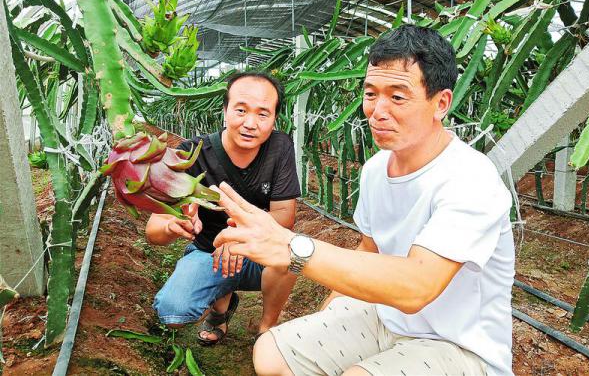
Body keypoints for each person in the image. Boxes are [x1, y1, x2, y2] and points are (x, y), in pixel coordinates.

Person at [211, 25, 515, 375]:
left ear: (441, 103)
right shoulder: (375, 169)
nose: (377, 110)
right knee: (270, 353)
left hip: (460, 346)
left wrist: (295, 248)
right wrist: (329, 314)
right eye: (371, 94)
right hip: (387, 316)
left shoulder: (470, 177)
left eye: (397, 97)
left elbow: (417, 285)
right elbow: (369, 249)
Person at [146, 71, 301, 345]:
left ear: (275, 118)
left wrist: (238, 237)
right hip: (209, 252)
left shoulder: (279, 146)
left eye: (263, 114)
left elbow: (285, 216)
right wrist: (172, 225)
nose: (250, 123)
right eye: (241, 110)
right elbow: (153, 230)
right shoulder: (191, 153)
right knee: (173, 312)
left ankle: (266, 328)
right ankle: (221, 307)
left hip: (259, 252)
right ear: (225, 110)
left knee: (295, 254)